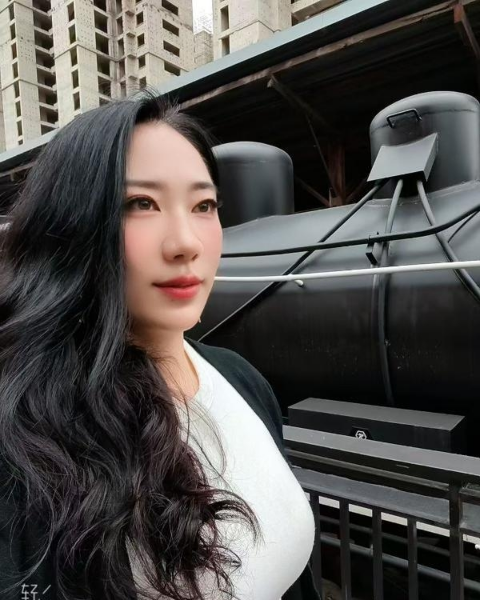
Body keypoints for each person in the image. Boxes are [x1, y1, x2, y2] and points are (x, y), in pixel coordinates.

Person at [0, 91, 320, 600]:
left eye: (204, 205)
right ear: (71, 226)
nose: (186, 243)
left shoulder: (242, 380)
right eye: (141, 204)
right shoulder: (23, 436)